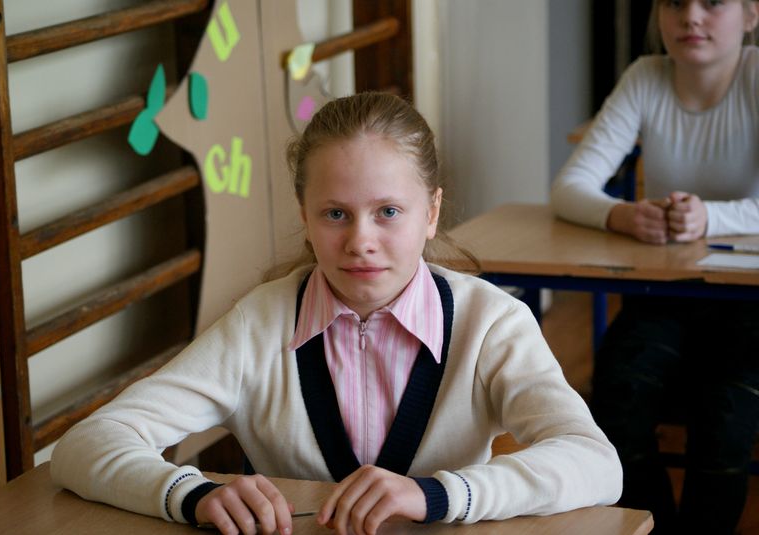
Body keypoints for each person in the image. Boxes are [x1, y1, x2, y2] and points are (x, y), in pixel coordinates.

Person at [52, 92, 622, 535]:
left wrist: (438, 495)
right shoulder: (258, 326)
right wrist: (192, 494)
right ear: (304, 215)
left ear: (432, 212)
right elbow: (87, 444)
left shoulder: (492, 324)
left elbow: (596, 464)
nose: (360, 242)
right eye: (335, 214)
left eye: (388, 211)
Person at [551, 1, 759, 533]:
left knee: (727, 416)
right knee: (617, 396)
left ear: (751, 15)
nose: (691, 17)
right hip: (667, 294)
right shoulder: (645, 76)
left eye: (712, 2)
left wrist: (709, 217)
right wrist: (620, 214)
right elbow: (570, 187)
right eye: (674, 2)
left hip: (750, 302)